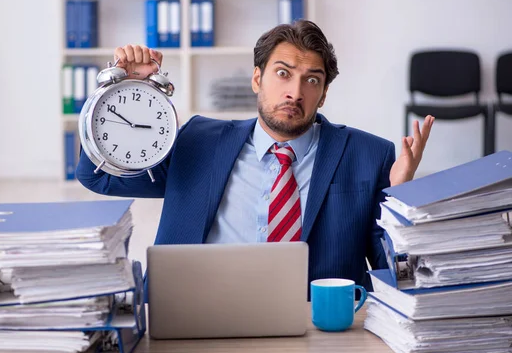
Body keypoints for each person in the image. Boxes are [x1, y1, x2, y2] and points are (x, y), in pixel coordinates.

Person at [76, 20, 434, 293]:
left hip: (315, 326)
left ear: (323, 95)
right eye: (283, 74)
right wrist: (122, 88)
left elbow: (394, 272)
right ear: (257, 79)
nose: (295, 92)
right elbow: (99, 177)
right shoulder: (196, 141)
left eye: (312, 80)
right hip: (194, 310)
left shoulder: (368, 155)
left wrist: (401, 200)